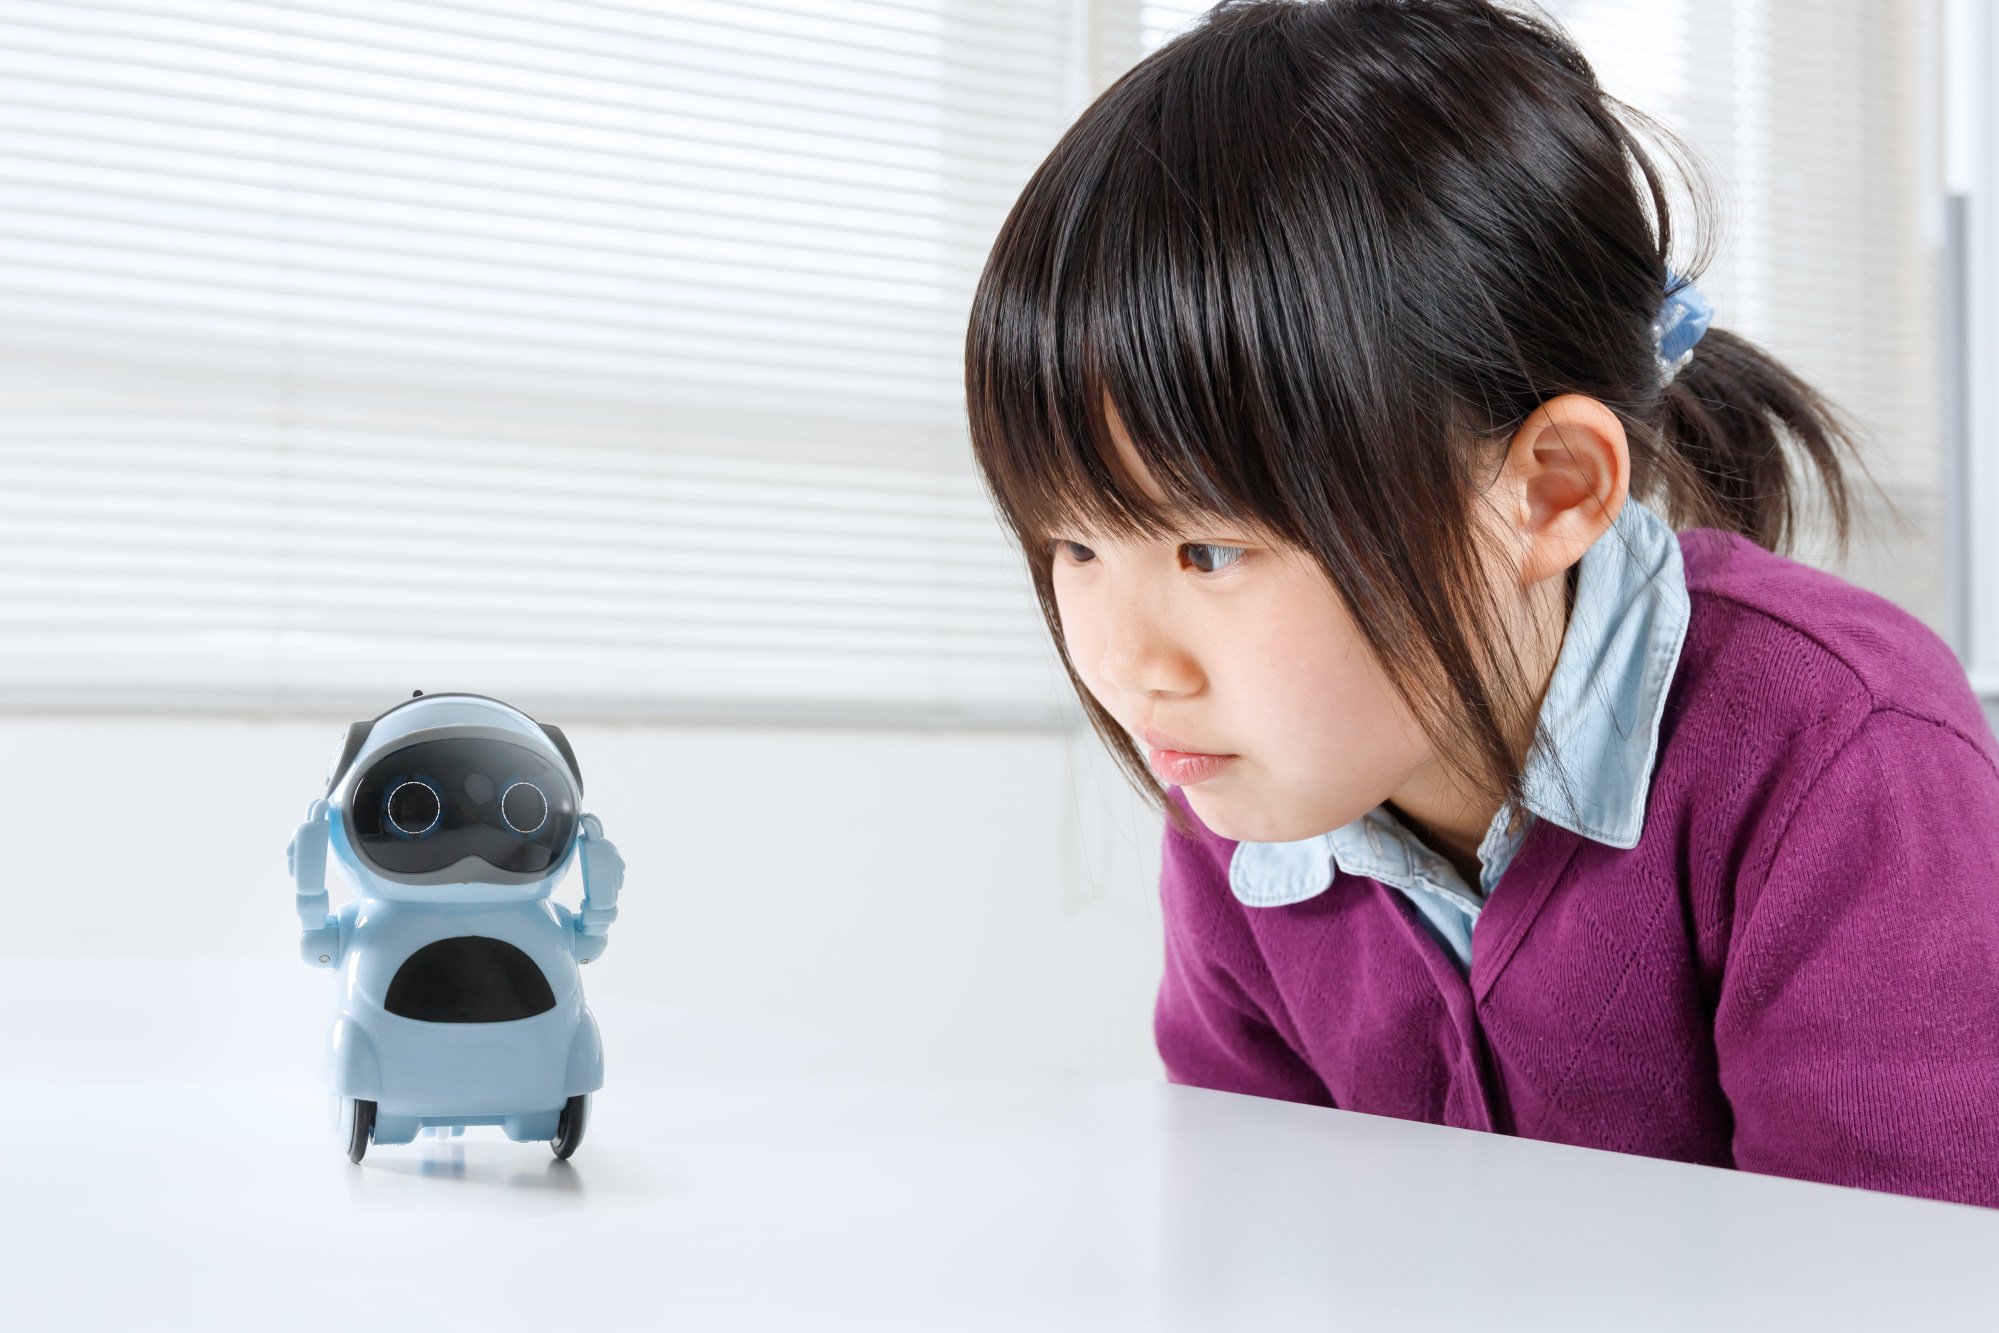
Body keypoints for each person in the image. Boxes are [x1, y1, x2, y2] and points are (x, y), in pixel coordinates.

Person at [962, 0, 1999, 1209]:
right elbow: (1257, 1236)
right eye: (1073, 546)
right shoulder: (1246, 785)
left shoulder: (1841, 757)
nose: (1131, 665)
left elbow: (1897, 1282)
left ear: (1548, 492)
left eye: (1207, 550)